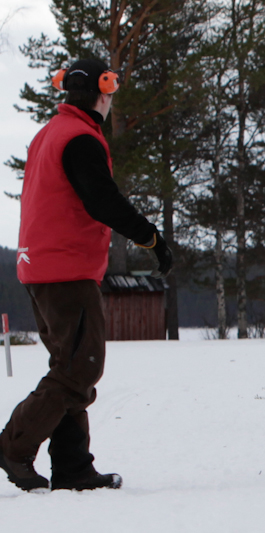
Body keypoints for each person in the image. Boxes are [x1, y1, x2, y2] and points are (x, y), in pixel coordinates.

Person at [0, 58, 173, 492]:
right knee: (81, 367)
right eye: (111, 90)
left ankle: (74, 467)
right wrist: (150, 237)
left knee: (70, 365)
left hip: (39, 267)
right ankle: (12, 446)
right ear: (104, 91)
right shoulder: (80, 138)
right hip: (66, 270)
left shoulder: (48, 134)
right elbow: (102, 200)